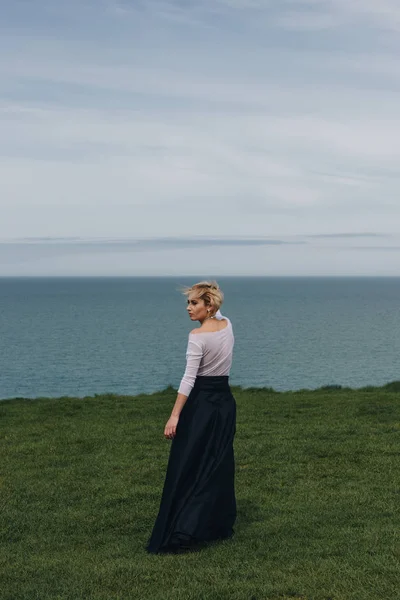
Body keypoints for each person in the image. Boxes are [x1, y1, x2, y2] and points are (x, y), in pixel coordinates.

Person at [146, 280, 237, 554]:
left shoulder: (197, 337)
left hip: (202, 405)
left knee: (187, 466)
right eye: (188, 302)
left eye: (194, 303)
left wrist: (174, 416)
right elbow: (219, 316)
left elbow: (188, 379)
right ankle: (215, 524)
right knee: (217, 464)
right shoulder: (227, 324)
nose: (188, 308)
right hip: (225, 402)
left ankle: (183, 529)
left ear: (208, 306)